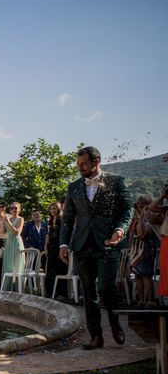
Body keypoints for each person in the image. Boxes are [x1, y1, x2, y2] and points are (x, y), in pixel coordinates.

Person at [60, 146, 133, 350]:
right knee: (88, 290)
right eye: (78, 164)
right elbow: (67, 219)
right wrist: (64, 243)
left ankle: (114, 319)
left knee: (106, 287)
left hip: (108, 243)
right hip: (82, 245)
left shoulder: (115, 181)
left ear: (96, 161)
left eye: (83, 163)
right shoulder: (73, 187)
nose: (80, 167)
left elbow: (128, 208)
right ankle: (96, 336)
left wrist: (120, 229)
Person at [130, 196, 160, 306]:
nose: (140, 207)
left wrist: (141, 216)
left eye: (143, 204)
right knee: (138, 275)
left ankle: (151, 300)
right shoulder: (136, 218)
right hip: (136, 249)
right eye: (138, 205)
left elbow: (142, 233)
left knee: (147, 276)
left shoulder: (150, 217)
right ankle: (141, 300)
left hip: (147, 249)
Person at [44, 202, 66, 298]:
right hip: (51, 247)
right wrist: (46, 245)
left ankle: (61, 293)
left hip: (59, 246)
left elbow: (64, 234)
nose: (53, 210)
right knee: (49, 270)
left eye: (55, 209)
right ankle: (49, 292)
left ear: (59, 209)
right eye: (51, 209)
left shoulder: (62, 220)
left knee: (59, 269)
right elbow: (48, 234)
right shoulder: (50, 220)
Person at [1, 202, 25, 291]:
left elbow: (17, 232)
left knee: (17, 265)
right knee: (8, 266)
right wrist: (3, 222)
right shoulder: (8, 218)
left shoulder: (20, 219)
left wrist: (8, 222)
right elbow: (3, 231)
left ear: (19, 209)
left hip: (17, 242)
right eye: (12, 208)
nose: (14, 210)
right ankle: (7, 288)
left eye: (15, 208)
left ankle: (17, 288)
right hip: (9, 243)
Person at [150, 184, 168, 298]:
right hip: (166, 239)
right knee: (165, 269)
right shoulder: (166, 209)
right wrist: (162, 196)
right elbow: (152, 207)